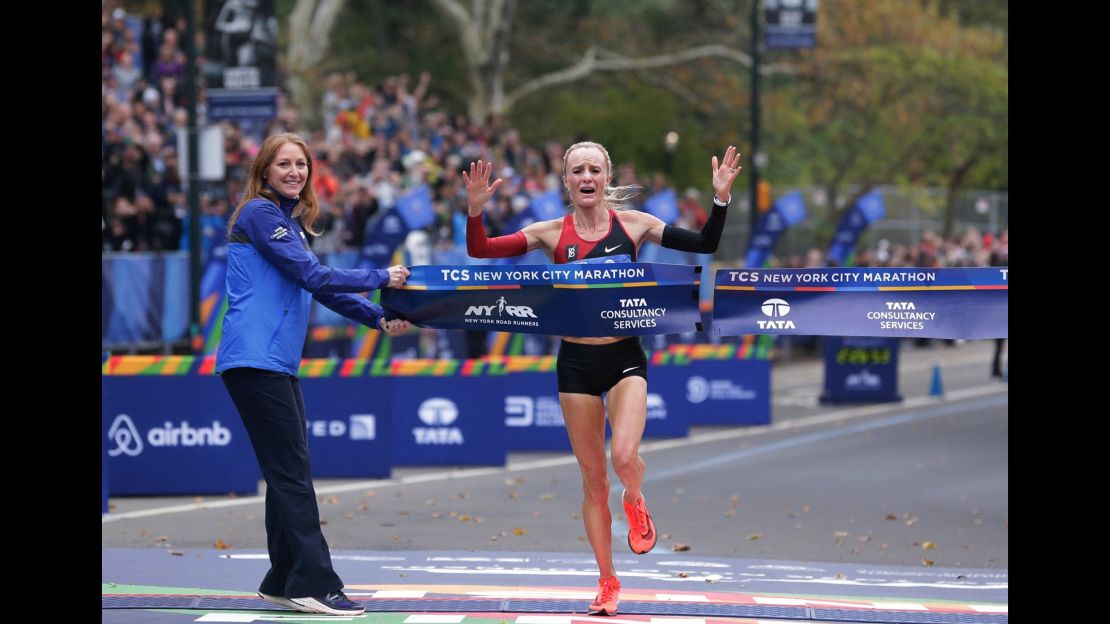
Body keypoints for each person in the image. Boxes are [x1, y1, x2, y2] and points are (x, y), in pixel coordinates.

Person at [463, 141, 742, 615]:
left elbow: (704, 244)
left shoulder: (633, 225)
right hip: (575, 364)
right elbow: (481, 250)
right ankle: (607, 580)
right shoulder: (551, 233)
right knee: (594, 481)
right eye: (578, 171)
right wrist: (474, 210)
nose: (587, 177)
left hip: (624, 358)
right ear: (567, 181)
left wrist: (720, 200)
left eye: (595, 169)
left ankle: (636, 498)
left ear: (606, 177)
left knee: (625, 456)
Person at [215, 132, 412, 616]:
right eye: (283, 164)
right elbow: (314, 276)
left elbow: (321, 288)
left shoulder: (289, 224)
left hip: (272, 362)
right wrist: (381, 278)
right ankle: (315, 583)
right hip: (253, 360)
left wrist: (378, 317)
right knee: (292, 474)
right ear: (264, 171)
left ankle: (282, 577)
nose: (293, 172)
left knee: (288, 472)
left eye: (301, 164)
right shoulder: (260, 214)